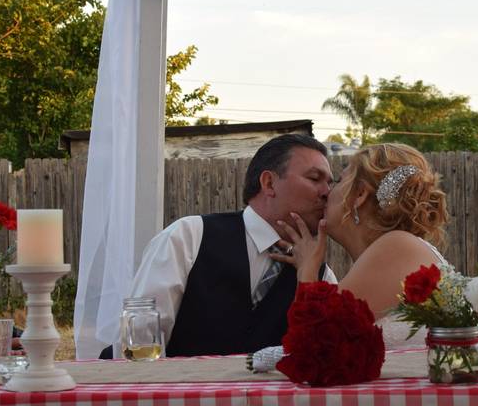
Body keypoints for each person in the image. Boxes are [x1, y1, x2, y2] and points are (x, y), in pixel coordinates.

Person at [127, 133, 336, 357]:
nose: (327, 192)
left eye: (330, 183)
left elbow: (324, 359)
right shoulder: (188, 238)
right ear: (269, 183)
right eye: (315, 178)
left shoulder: (322, 276)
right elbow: (140, 341)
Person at [273, 143, 449, 346]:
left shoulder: (396, 246)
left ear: (359, 195)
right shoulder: (396, 250)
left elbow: (312, 343)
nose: (327, 192)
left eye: (338, 181)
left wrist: (307, 270)